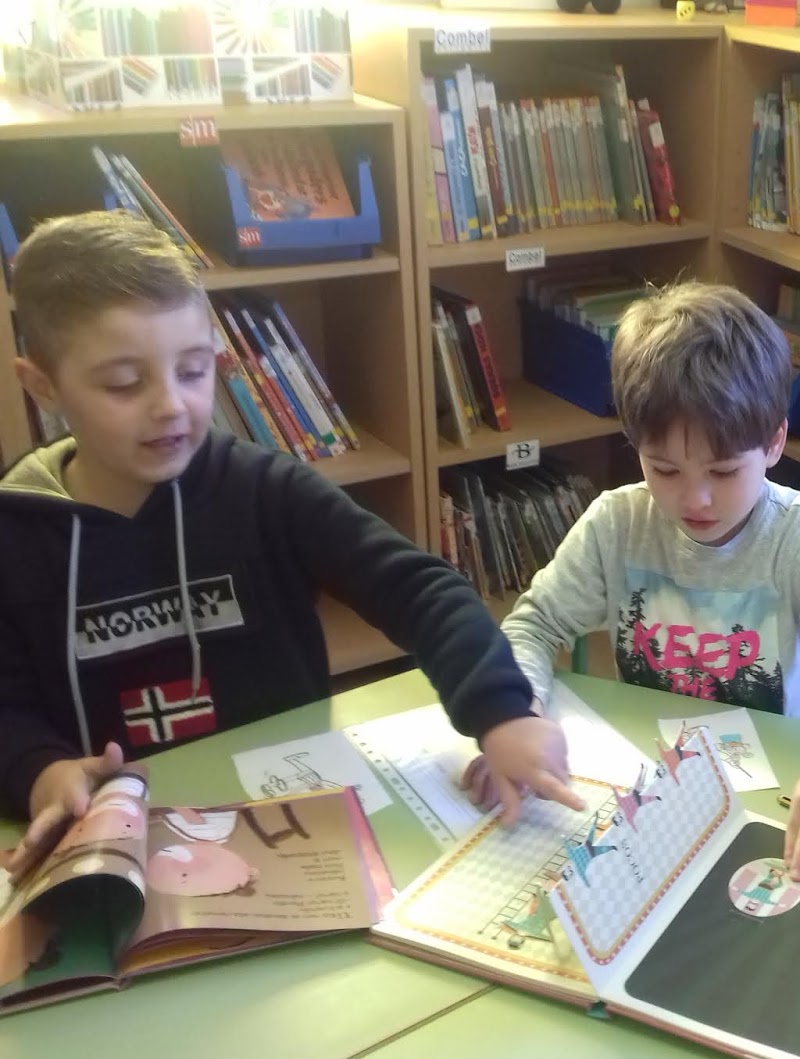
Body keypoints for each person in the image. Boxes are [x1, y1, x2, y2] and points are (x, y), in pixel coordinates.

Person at [0, 210, 580, 871]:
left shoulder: (264, 489)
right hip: (115, 846)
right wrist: (38, 770)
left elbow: (419, 589)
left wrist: (503, 712)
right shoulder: (16, 533)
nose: (171, 405)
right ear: (42, 386)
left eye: (193, 370)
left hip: (292, 820)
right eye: (125, 384)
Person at [484, 281, 800, 882]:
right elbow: (533, 625)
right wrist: (517, 711)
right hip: (656, 776)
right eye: (664, 469)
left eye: (724, 471)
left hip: (786, 782)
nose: (696, 499)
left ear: (774, 442)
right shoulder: (616, 523)